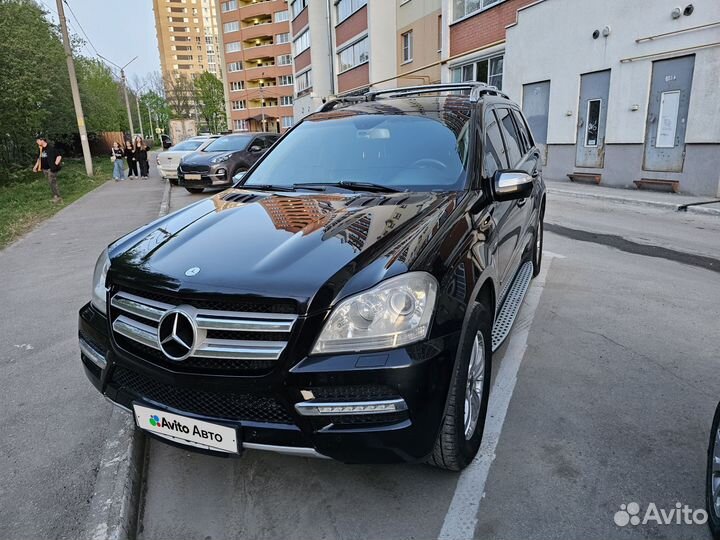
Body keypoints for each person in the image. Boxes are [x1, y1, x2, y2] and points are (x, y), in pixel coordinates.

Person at [32, 135, 63, 203]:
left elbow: (59, 156)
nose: (37, 142)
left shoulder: (51, 148)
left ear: (42, 140)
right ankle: (55, 195)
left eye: (38, 141)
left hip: (51, 169)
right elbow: (39, 159)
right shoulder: (40, 149)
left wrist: (55, 164)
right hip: (44, 169)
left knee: (52, 182)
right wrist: (35, 167)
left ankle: (57, 197)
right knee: (50, 182)